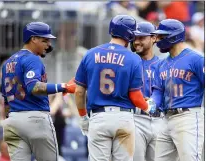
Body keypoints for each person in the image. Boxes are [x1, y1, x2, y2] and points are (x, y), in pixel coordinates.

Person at [74, 15, 156, 161]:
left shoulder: (90, 53)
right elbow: (136, 96)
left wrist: (82, 117)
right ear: (128, 33)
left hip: (98, 117)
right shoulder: (133, 58)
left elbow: (79, 91)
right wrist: (148, 107)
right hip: (124, 118)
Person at [0, 22, 76, 161]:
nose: (48, 45)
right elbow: (34, 87)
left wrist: (9, 120)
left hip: (12, 121)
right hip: (35, 119)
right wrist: (62, 86)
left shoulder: (7, 63)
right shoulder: (32, 59)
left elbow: (5, 98)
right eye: (44, 40)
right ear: (33, 38)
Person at [151, 19, 204, 161]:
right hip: (166, 119)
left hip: (188, 117)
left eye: (162, 36)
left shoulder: (196, 59)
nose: (158, 40)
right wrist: (152, 103)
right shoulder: (161, 64)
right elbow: (158, 91)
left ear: (174, 36)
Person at [130, 21, 164, 161]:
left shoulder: (163, 64)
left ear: (154, 38)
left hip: (159, 119)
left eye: (141, 38)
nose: (136, 42)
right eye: (134, 38)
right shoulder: (129, 62)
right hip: (135, 118)